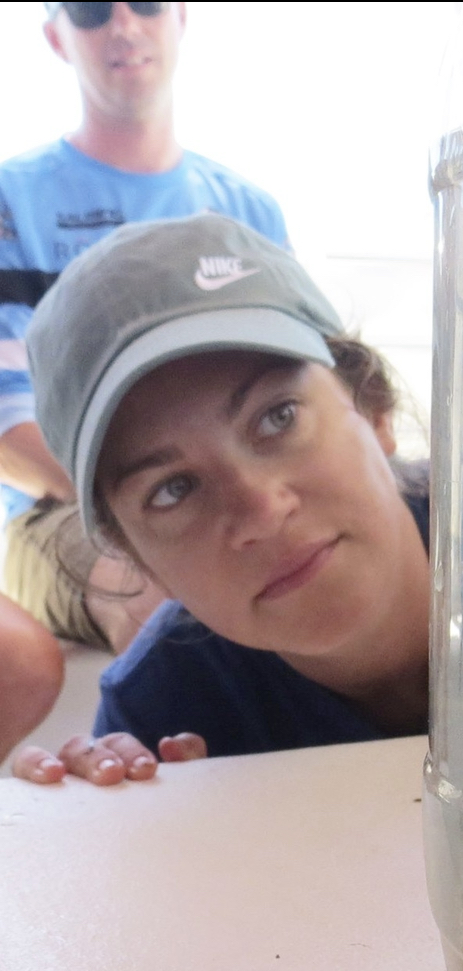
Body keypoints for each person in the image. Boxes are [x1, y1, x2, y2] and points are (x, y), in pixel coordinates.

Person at [11, 214, 430, 784]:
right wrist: (120, 821)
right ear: (136, 558)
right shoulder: (160, 711)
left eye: (277, 417)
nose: (261, 511)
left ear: (373, 408)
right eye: (172, 490)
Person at [0, 0, 289, 669]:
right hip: (60, 510)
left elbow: (318, 387)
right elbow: (8, 430)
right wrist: (161, 504)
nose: (124, 25)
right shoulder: (10, 201)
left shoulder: (250, 210)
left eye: (146, 4)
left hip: (243, 486)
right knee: (165, 596)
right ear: (56, 37)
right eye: (93, 10)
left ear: (180, 16)